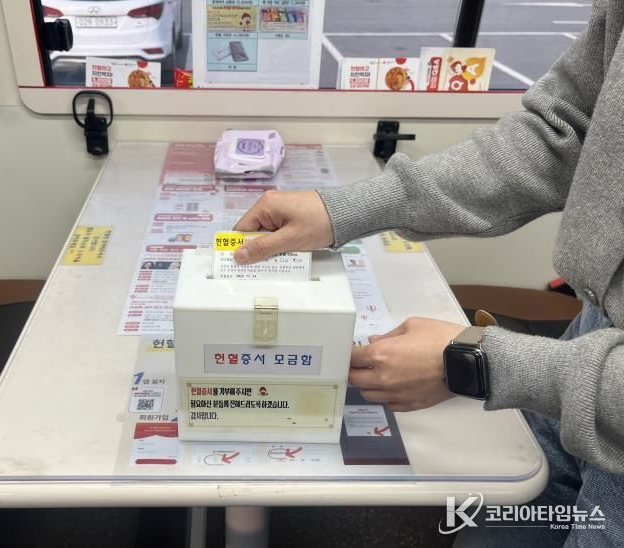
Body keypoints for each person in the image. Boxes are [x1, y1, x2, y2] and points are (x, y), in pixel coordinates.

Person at [233, 2, 624, 545]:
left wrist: (480, 364)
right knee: (507, 516)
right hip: (593, 340)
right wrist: (340, 211)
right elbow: (563, 129)